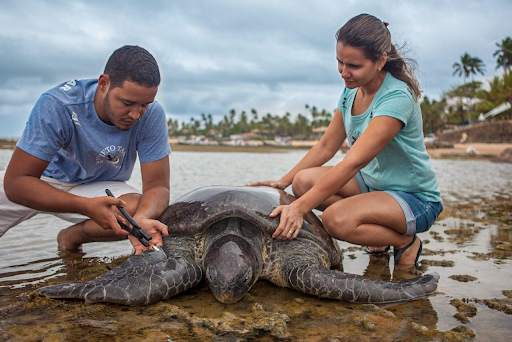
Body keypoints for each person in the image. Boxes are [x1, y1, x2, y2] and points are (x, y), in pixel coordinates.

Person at [247, 14, 443, 266]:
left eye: (354, 66)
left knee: (336, 220)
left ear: (381, 60)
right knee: (302, 182)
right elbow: (327, 146)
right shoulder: (350, 91)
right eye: (340, 62)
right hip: (373, 184)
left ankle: (405, 242)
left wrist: (299, 208)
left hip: (414, 198)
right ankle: (377, 232)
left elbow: (352, 162)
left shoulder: (396, 98)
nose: (344, 72)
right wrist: (282, 182)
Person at [0, 45, 171, 255]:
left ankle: (71, 236)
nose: (136, 114)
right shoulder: (58, 105)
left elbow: (158, 187)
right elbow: (15, 183)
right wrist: (83, 206)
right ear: (103, 84)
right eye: (127, 103)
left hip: (98, 185)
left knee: (141, 213)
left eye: (145, 104)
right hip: (41, 180)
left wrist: (141, 222)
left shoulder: (152, 114)